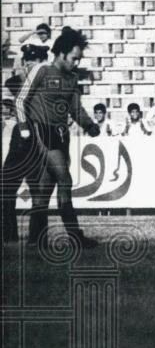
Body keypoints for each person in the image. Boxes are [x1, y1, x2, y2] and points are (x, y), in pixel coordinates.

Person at [15, 27, 102, 248]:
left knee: (45, 189)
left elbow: (76, 108)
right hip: (41, 131)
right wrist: (25, 129)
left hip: (61, 136)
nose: (77, 64)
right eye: (74, 58)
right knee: (65, 180)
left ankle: (36, 239)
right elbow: (20, 101)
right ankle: (75, 236)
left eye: (79, 60)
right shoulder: (42, 71)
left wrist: (90, 125)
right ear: (61, 53)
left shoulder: (72, 79)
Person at [2, 46, 48, 243]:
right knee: (7, 188)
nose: (28, 64)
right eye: (26, 60)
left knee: (39, 190)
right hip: (22, 138)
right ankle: (11, 234)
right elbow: (10, 83)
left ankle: (36, 236)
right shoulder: (28, 80)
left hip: (35, 137)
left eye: (32, 60)